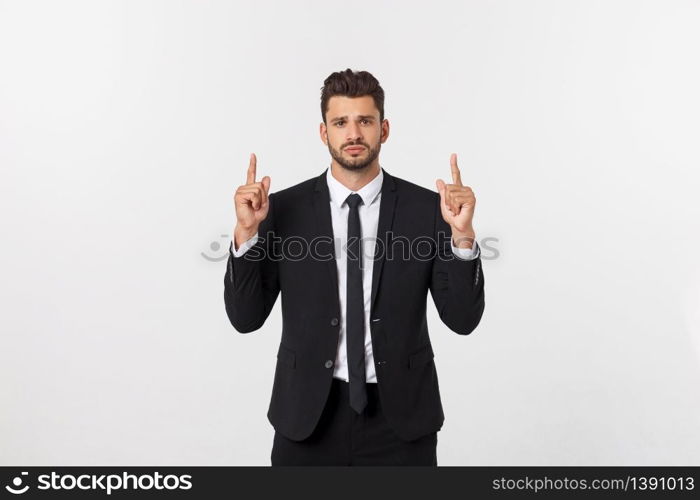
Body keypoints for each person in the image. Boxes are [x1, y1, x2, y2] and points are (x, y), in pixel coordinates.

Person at [224, 68, 485, 466]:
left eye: (365, 121)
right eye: (341, 122)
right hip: (307, 419)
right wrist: (246, 233)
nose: (353, 134)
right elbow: (245, 318)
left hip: (401, 423)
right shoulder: (280, 210)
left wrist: (463, 235)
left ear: (384, 129)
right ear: (323, 132)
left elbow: (463, 319)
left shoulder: (429, 212)